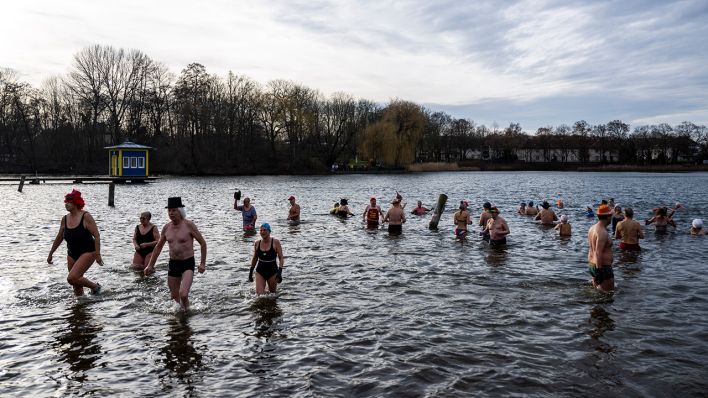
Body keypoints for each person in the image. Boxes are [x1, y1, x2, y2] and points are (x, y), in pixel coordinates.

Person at [145, 197, 207, 311]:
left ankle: (188, 311)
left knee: (183, 294)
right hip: (173, 263)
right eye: (169, 211)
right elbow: (158, 248)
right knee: (174, 299)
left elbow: (203, 243)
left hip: (187, 262)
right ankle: (180, 317)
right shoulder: (166, 228)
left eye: (174, 210)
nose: (171, 213)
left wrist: (202, 263)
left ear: (180, 211)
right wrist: (150, 265)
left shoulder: (189, 225)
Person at [47, 189, 104, 296]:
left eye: (69, 202)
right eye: (66, 202)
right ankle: (80, 305)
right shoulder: (64, 219)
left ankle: (95, 287)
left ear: (76, 203)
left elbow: (96, 235)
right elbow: (59, 237)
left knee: (72, 278)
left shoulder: (86, 216)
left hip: (88, 251)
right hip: (72, 253)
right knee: (76, 284)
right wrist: (51, 253)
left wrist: (98, 254)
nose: (66, 204)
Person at [248, 223, 285, 294]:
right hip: (260, 271)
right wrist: (251, 271)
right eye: (261, 230)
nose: (262, 232)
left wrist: (280, 272)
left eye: (265, 230)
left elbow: (281, 258)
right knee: (259, 295)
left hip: (273, 272)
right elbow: (255, 258)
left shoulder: (276, 242)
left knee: (272, 294)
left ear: (269, 231)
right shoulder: (257, 243)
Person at [587, 205, 614, 292]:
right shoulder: (602, 232)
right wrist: (600, 272)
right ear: (607, 217)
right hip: (602, 267)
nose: (611, 217)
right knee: (608, 295)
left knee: (597, 293)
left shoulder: (592, 228)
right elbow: (598, 253)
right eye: (611, 215)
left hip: (592, 265)